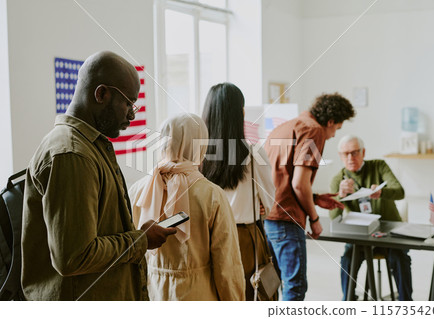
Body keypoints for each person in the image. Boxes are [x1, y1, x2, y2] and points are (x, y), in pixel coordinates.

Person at [21, 51, 176, 301]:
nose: (132, 115)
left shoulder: (88, 146)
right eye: (128, 103)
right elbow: (74, 256)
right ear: (101, 94)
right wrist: (140, 240)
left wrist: (140, 235)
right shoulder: (72, 154)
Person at [129, 113, 245, 301]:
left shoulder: (137, 190)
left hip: (152, 293)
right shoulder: (212, 195)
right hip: (199, 295)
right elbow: (227, 266)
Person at [264, 92, 355, 301]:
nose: (332, 136)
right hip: (287, 220)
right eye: (336, 129)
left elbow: (282, 180)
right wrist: (314, 219)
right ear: (330, 121)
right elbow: (298, 183)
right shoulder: (314, 130)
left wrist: (313, 198)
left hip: (267, 216)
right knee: (295, 288)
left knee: (271, 285)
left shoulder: (285, 127)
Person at [200, 82, 275, 300]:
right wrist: (257, 207)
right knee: (249, 294)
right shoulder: (254, 153)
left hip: (206, 238)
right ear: (240, 112)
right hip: (244, 238)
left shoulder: (198, 154)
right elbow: (268, 202)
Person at [330, 135, 413, 301]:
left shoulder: (379, 166)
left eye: (354, 153)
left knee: (399, 257)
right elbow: (333, 218)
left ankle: (406, 303)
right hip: (360, 234)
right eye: (345, 154)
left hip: (389, 231)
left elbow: (400, 191)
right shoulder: (338, 180)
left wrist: (382, 192)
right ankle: (347, 301)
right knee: (347, 258)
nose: (350, 158)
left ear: (363, 152)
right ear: (340, 156)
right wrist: (340, 196)